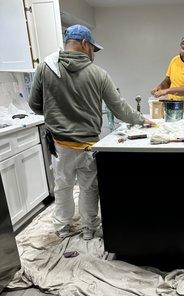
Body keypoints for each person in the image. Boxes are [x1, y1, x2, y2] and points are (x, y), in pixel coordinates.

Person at [29, 25, 153, 240]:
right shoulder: (98, 74)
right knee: (88, 188)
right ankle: (88, 229)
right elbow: (120, 109)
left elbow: (35, 105)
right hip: (88, 145)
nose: (93, 55)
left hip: (60, 145)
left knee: (63, 187)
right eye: (93, 50)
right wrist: (143, 120)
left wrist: (56, 113)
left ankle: (63, 228)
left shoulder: (44, 68)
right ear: (85, 44)